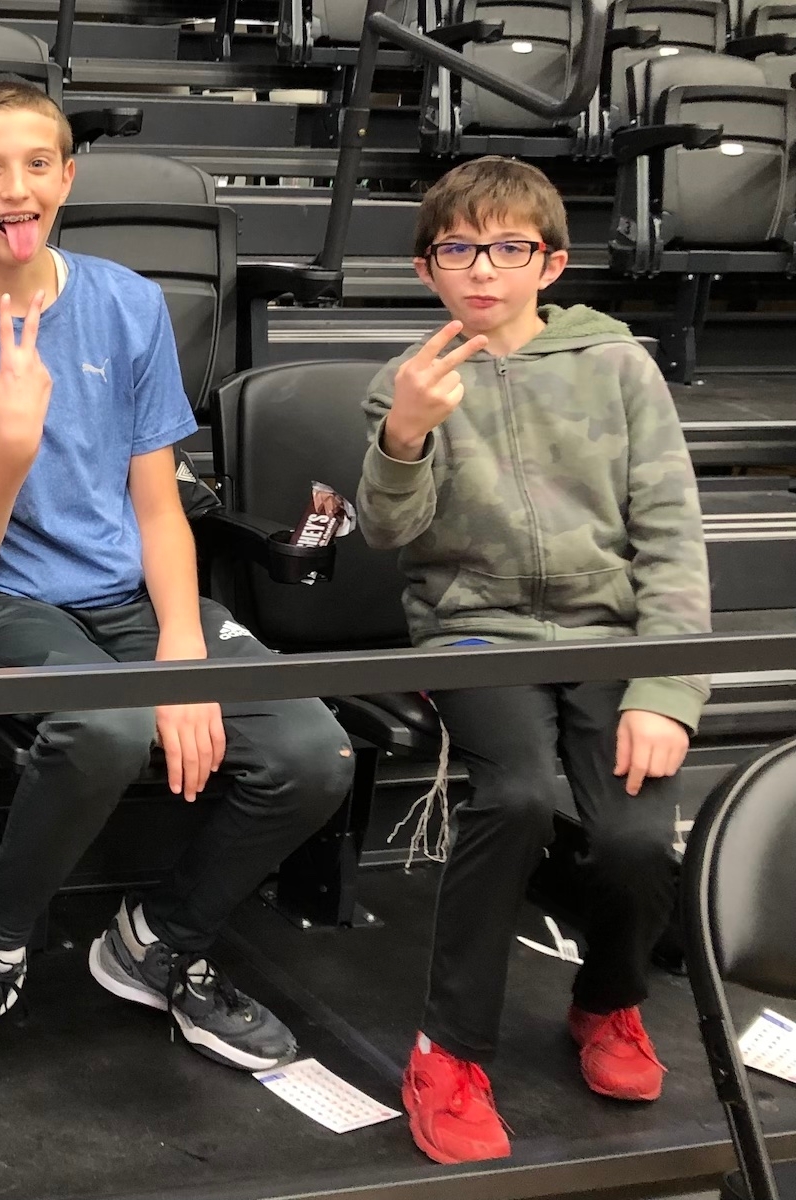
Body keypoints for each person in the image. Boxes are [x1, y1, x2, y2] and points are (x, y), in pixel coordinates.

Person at [0, 78, 355, 1119]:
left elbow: (158, 506)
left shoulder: (129, 303)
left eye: (36, 164)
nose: (15, 187)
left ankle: (157, 945)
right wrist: (9, 449)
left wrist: (182, 645)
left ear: (67, 178)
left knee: (315, 753)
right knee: (104, 722)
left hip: (130, 595)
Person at [358, 155, 708, 1165]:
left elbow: (673, 539)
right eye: (458, 249)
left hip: (612, 634)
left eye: (509, 248)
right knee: (511, 798)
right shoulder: (405, 379)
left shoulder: (620, 366)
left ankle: (608, 1001)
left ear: (550, 262)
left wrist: (669, 689)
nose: (483, 270)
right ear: (429, 268)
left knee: (638, 839)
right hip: (477, 632)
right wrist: (407, 436)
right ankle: (450, 1051)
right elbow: (392, 537)